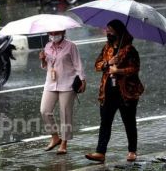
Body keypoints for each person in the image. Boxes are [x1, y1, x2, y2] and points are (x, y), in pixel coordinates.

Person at [85, 20, 144, 162]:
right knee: (105, 121)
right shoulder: (107, 48)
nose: (108, 32)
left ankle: (132, 151)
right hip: (108, 91)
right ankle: (100, 152)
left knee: (129, 121)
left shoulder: (130, 49)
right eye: (107, 30)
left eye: (110, 30)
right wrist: (108, 63)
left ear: (118, 31)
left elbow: (135, 69)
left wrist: (119, 70)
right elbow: (97, 65)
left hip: (126, 92)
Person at [39, 30, 86, 154]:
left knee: (65, 113)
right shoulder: (47, 46)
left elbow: (78, 64)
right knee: (44, 110)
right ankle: (55, 138)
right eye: (51, 33)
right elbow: (46, 67)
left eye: (56, 33)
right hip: (51, 83)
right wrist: (43, 60)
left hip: (67, 83)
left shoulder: (71, 46)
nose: (54, 35)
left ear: (63, 32)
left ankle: (64, 142)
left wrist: (82, 80)